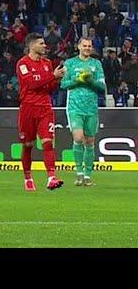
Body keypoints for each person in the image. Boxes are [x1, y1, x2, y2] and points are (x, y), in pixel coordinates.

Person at [16, 33, 66, 191]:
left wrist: (56, 80)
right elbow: (30, 84)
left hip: (45, 107)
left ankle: (51, 177)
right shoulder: (22, 63)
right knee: (28, 145)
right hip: (28, 108)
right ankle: (28, 178)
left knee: (47, 142)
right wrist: (52, 76)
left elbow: (49, 88)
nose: (45, 46)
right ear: (31, 46)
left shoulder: (47, 63)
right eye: (41, 43)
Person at [60, 37, 106, 187]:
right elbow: (63, 84)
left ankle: (87, 176)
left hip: (91, 109)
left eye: (89, 46)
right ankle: (79, 173)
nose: (87, 48)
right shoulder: (70, 63)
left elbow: (101, 87)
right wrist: (78, 81)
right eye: (84, 45)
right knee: (78, 138)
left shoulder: (96, 64)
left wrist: (91, 81)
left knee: (90, 142)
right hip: (74, 108)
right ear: (78, 46)